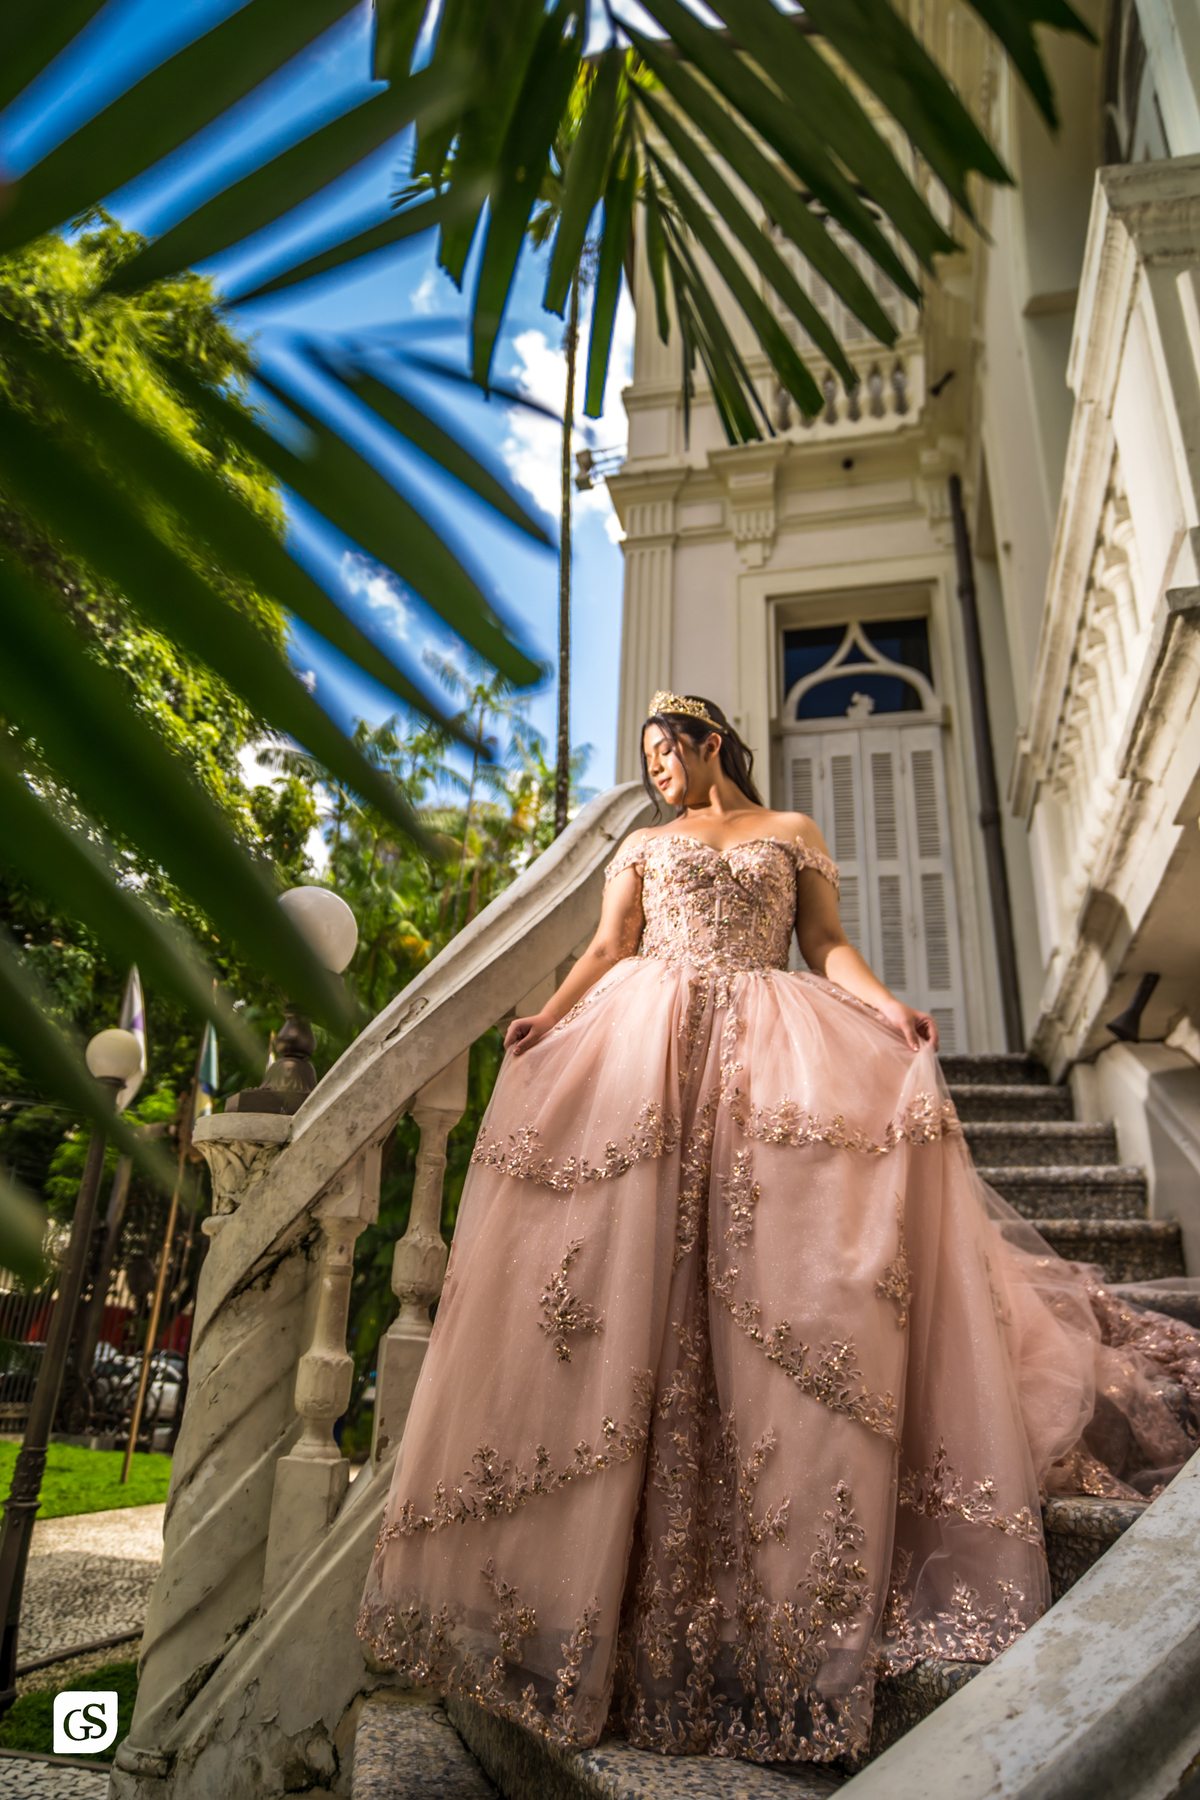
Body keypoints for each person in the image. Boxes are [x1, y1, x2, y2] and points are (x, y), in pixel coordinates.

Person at [358, 693, 1198, 1766]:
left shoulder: (791, 832)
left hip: (767, 1046)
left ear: (710, 743)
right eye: (647, 759)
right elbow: (611, 945)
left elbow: (825, 944)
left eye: (668, 752)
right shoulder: (643, 846)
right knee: (636, 1288)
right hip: (650, 1051)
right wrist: (551, 1017)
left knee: (772, 1286)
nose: (657, 771)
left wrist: (887, 1008)